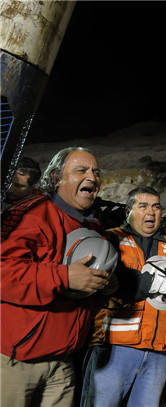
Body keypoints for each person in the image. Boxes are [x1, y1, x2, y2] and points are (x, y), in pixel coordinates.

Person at [1, 147, 111, 407]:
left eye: (96, 172)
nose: (92, 177)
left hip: (63, 363)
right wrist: (64, 277)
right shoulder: (29, 214)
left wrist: (103, 286)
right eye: (81, 170)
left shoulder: (92, 228)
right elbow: (4, 271)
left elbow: (81, 294)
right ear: (56, 178)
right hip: (17, 361)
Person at [81, 186, 166, 407]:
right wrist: (150, 283)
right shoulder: (111, 239)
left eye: (156, 207)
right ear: (128, 211)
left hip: (159, 352)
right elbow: (115, 281)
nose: (151, 212)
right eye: (143, 206)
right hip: (115, 348)